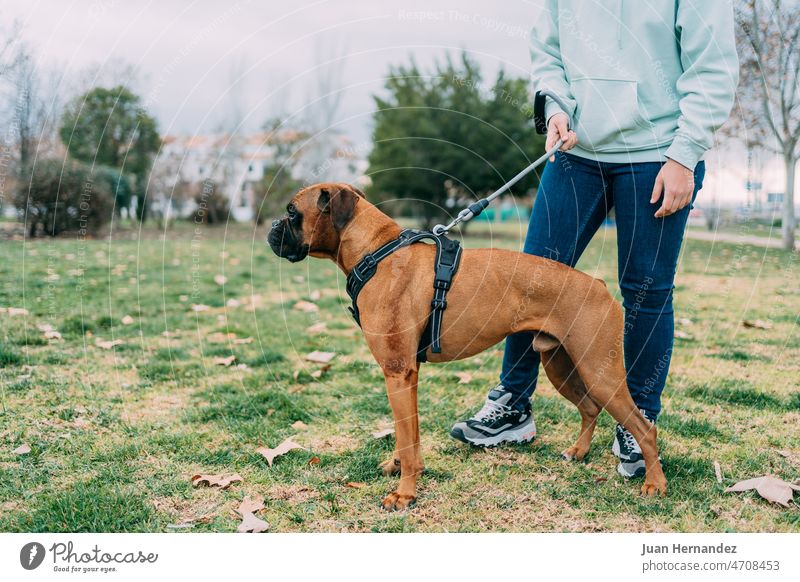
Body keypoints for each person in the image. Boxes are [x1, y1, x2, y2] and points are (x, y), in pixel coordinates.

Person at [450, 0, 739, 478]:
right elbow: (548, 48)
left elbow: (713, 66)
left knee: (646, 291)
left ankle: (637, 416)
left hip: (657, 154)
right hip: (578, 151)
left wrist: (685, 154)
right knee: (528, 282)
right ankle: (512, 407)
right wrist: (557, 106)